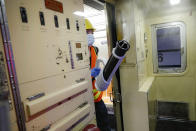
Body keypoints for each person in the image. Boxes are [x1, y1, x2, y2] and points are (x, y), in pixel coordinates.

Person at [85, 19, 110, 131]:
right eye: (88, 32)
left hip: (96, 96)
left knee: (104, 119)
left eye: (91, 32)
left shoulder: (94, 49)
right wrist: (88, 74)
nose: (91, 35)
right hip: (84, 97)